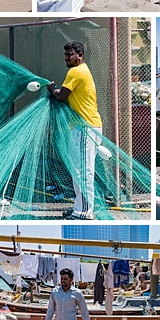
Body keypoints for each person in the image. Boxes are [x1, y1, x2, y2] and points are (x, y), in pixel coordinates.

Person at [47, 41, 103, 220]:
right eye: (65, 55)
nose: (66, 58)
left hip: (85, 128)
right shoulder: (82, 70)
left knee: (84, 171)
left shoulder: (76, 71)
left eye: (70, 54)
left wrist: (52, 89)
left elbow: (62, 96)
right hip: (83, 127)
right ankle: (79, 207)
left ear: (80, 55)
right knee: (78, 170)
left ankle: (85, 212)